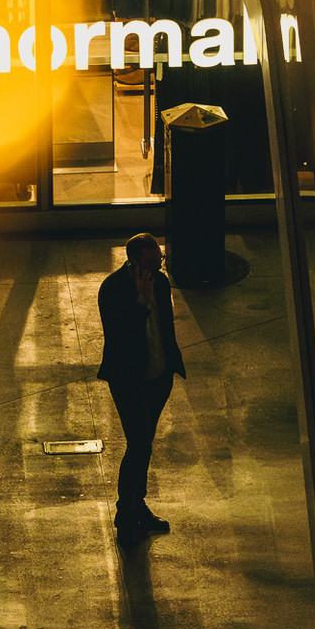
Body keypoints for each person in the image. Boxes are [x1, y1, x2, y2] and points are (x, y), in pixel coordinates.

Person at [96, 232, 185, 549]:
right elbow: (119, 336)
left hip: (159, 376)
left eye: (160, 259)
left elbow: (166, 326)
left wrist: (171, 364)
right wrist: (140, 301)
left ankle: (138, 505)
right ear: (134, 261)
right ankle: (126, 512)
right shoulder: (113, 289)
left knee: (145, 443)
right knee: (139, 444)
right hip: (129, 379)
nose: (159, 265)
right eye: (152, 261)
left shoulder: (160, 282)